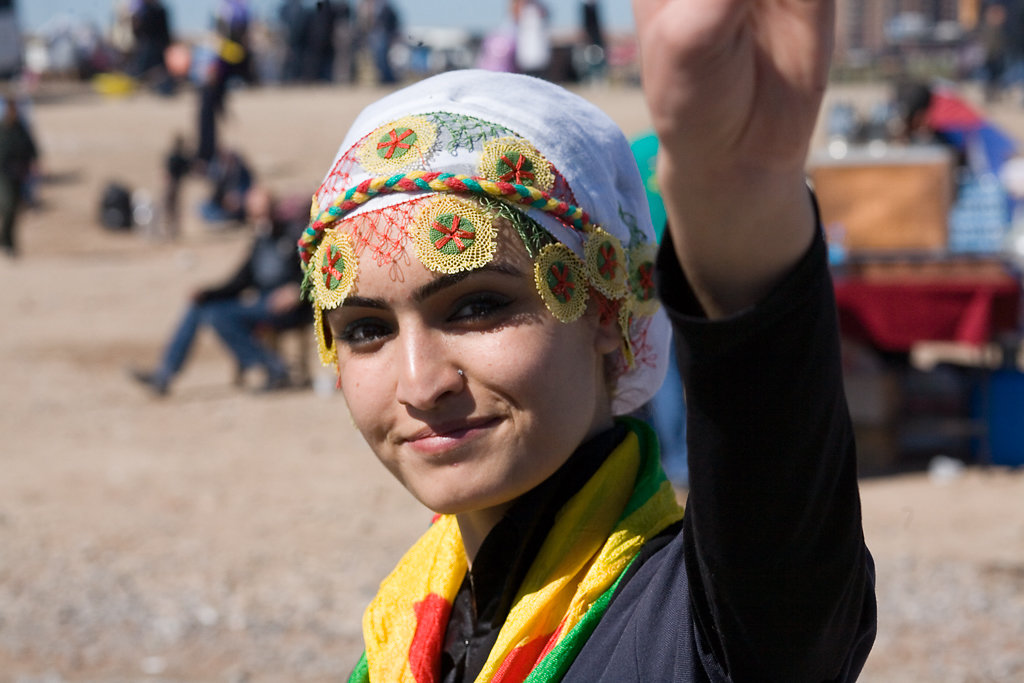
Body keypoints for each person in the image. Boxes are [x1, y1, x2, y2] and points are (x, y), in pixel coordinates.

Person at [297, 0, 876, 680]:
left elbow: (784, 570)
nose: (421, 383)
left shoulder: (703, 633)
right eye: (367, 329)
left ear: (607, 311)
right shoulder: (407, 634)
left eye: (478, 306)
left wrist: (740, 195)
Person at [132, 186, 307, 395]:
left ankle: (272, 367)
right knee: (201, 306)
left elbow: (317, 270)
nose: (259, 218)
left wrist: (297, 290)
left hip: (292, 308)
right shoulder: (261, 239)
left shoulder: (295, 234)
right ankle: (165, 373)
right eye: (254, 213)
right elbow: (240, 281)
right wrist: (207, 293)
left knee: (218, 315)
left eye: (263, 211)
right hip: (262, 304)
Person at [0, 98, 38, 258]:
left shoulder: (20, 129)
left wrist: (34, 166)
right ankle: (6, 241)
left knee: (15, 210)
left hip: (19, 175)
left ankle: (9, 242)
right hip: (3, 175)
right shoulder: (2, 129)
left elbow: (31, 149)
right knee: (8, 207)